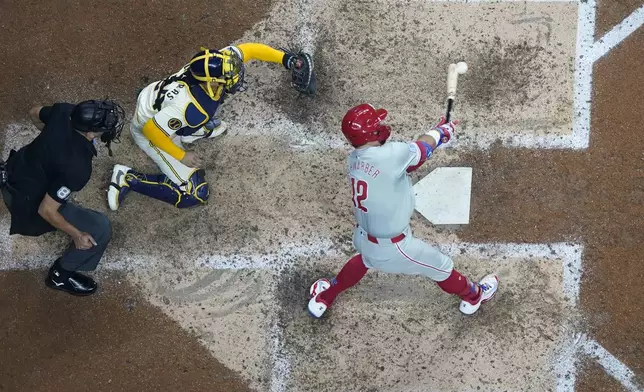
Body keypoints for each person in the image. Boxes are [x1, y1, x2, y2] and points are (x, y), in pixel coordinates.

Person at [307, 104, 499, 318]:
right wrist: (442, 132)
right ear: (371, 132)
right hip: (394, 248)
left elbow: (408, 165)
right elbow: (422, 150)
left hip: (362, 236)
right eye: (376, 123)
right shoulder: (391, 155)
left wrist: (436, 136)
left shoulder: (354, 159)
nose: (381, 125)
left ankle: (324, 297)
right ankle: (474, 296)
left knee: (365, 259)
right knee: (442, 267)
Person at [107, 44, 315, 210]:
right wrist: (181, 155)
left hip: (156, 100)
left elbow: (249, 50)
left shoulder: (214, 65)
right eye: (228, 77)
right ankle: (126, 178)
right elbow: (151, 131)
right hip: (150, 128)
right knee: (194, 194)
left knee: (201, 115)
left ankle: (191, 131)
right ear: (210, 82)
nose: (235, 76)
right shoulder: (188, 106)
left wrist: (286, 60)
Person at [1, 100, 124, 296]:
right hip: (26, 201)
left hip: (17, 166)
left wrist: (49, 140)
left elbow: (34, 112)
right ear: (90, 134)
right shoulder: (78, 167)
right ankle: (60, 275)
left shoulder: (64, 111)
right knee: (100, 228)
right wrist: (77, 234)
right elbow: (46, 210)